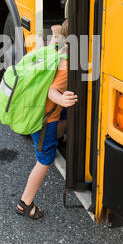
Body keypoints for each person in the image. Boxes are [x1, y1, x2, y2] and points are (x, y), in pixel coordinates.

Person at [16, 20, 78, 219]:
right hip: (45, 120)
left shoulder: (58, 50)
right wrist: (62, 99)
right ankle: (25, 203)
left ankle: (59, 137)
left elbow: (49, 48)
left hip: (38, 112)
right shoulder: (68, 62)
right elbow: (52, 90)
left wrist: (57, 35)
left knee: (66, 118)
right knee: (44, 160)